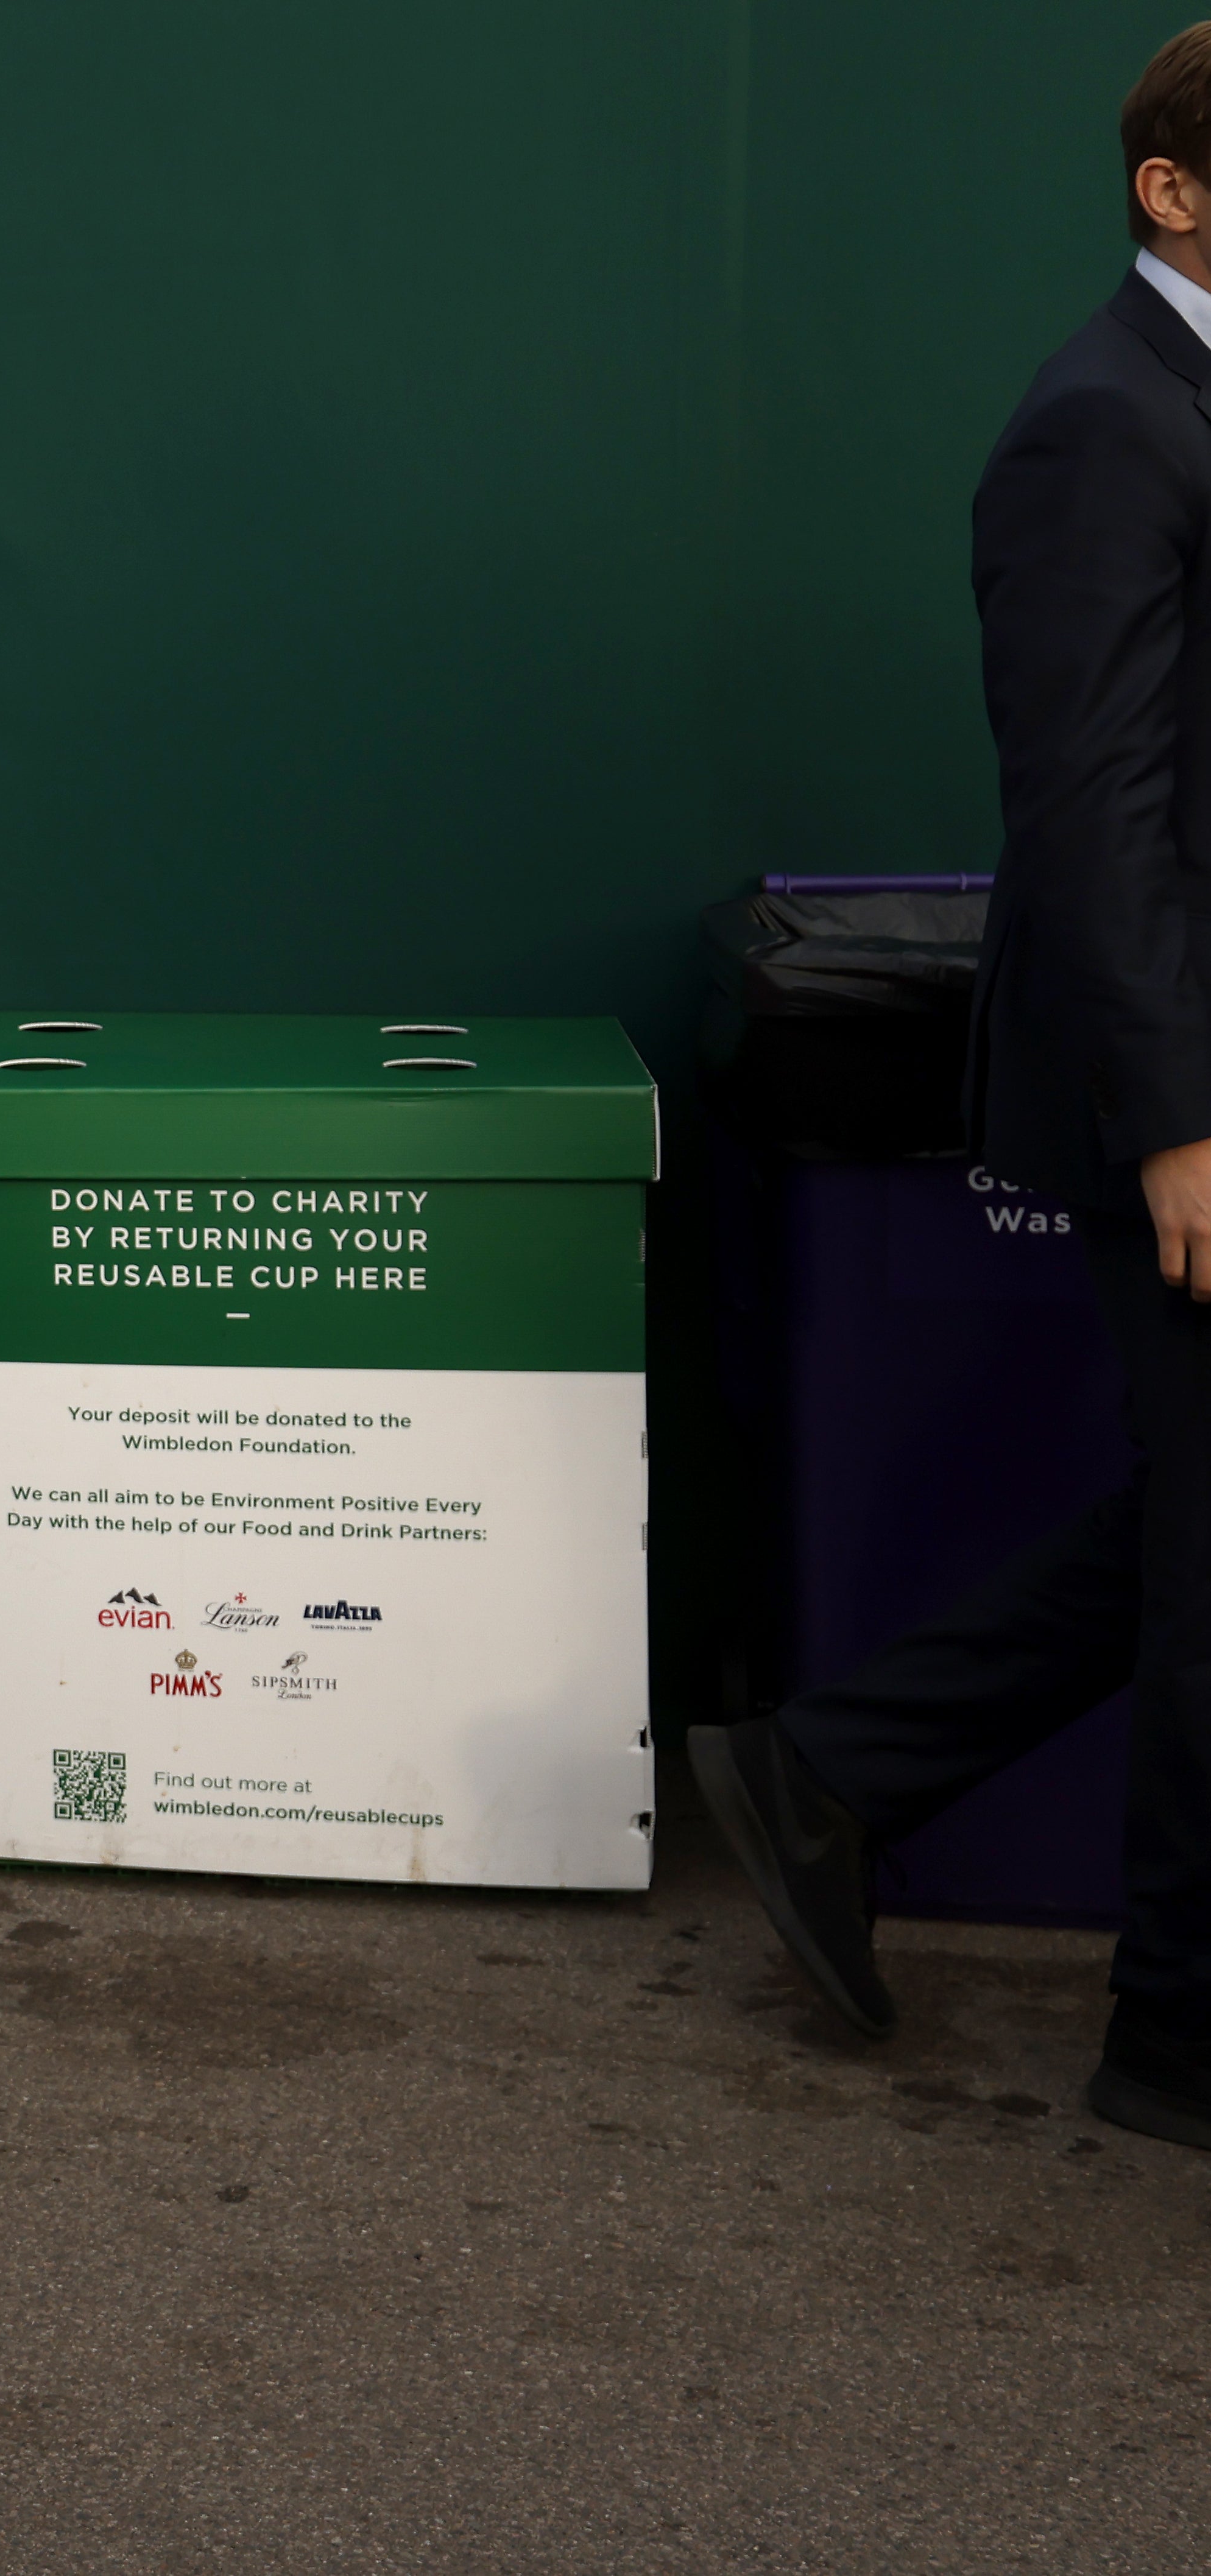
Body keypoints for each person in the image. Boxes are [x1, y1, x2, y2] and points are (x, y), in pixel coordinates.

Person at [694, 29, 1211, 2155]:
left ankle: (831, 1769)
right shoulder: (1102, 421)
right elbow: (1091, 800)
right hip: (1173, 1090)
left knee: (1193, 1534)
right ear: (1171, 194)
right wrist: (1181, 1118)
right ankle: (1174, 2037)